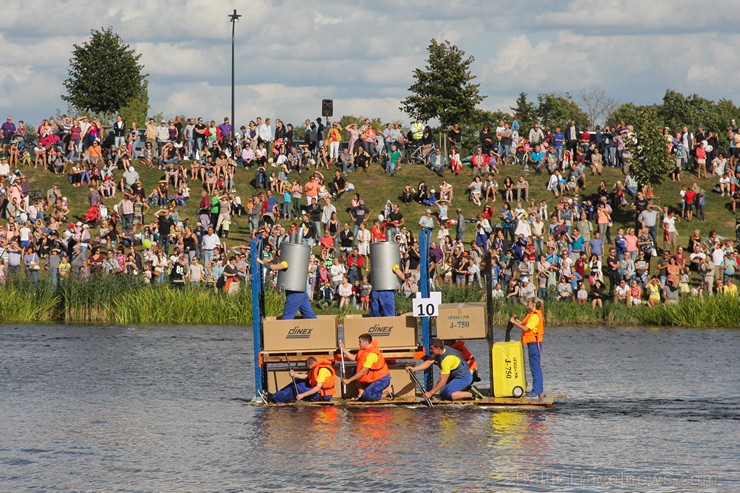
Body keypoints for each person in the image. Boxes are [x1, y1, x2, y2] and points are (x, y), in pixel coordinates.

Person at [406, 339, 482, 401]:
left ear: (438, 349)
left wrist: (430, 393)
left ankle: (472, 394)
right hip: (455, 375)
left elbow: (443, 381)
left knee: (446, 395)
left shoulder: (446, 360)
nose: (430, 351)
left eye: (432, 349)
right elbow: (429, 362)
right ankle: (465, 388)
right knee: (441, 390)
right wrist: (414, 369)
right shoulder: (442, 349)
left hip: (463, 377)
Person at [508, 298, 545, 398]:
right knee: (535, 367)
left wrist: (513, 322)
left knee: (535, 368)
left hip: (534, 344)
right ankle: (539, 390)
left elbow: (525, 328)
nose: (526, 303)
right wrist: (516, 320)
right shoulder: (531, 314)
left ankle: (536, 391)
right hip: (532, 344)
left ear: (533, 304)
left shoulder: (535, 316)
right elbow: (525, 324)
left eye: (528, 302)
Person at [339, 334, 392, 401]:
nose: (359, 344)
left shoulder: (372, 355)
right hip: (372, 376)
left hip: (381, 380)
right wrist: (343, 349)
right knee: (355, 370)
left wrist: (349, 380)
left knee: (366, 397)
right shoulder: (364, 350)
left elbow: (363, 371)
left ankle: (385, 390)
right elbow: (353, 357)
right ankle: (361, 393)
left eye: (360, 342)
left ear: (366, 343)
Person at [269, 357, 337, 404]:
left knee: (297, 388)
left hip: (323, 396)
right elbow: (306, 376)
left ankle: (275, 399)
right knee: (297, 382)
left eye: (310, 368)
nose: (310, 370)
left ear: (313, 364)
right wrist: (294, 375)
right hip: (318, 392)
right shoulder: (315, 368)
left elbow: (318, 387)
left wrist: (302, 395)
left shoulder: (322, 370)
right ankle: (275, 396)